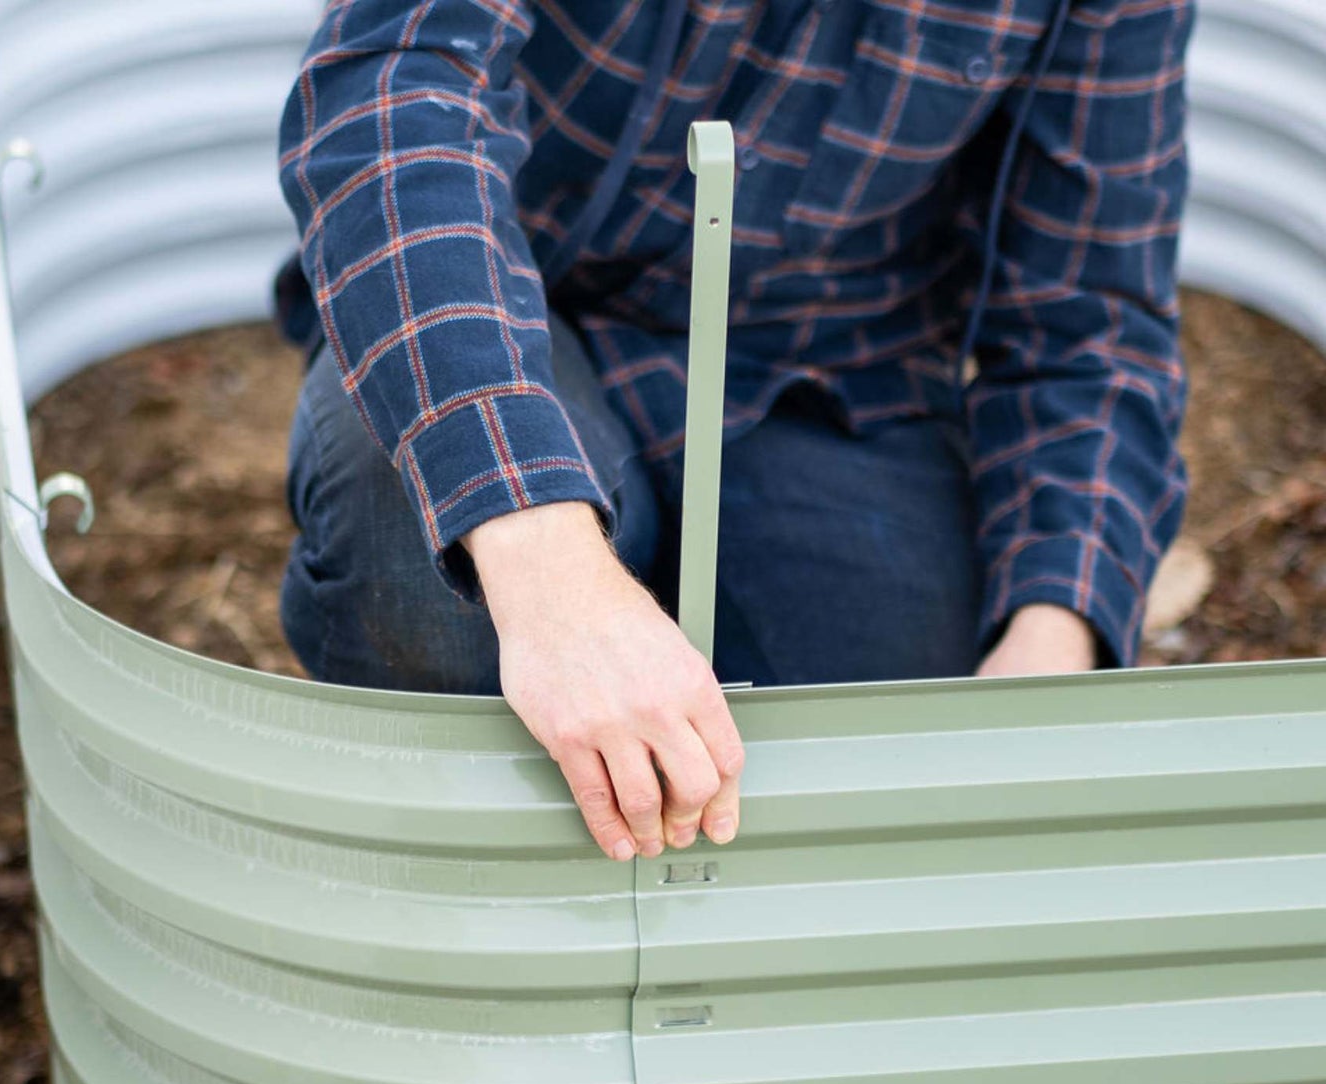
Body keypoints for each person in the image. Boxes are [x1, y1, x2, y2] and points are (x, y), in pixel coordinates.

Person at [276, 0, 1192, 860]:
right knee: (429, 569)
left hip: (825, 367)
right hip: (514, 294)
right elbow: (395, 92)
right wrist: (541, 563)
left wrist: (1053, 636)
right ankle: (453, 940)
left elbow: (1090, 307)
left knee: (900, 748)